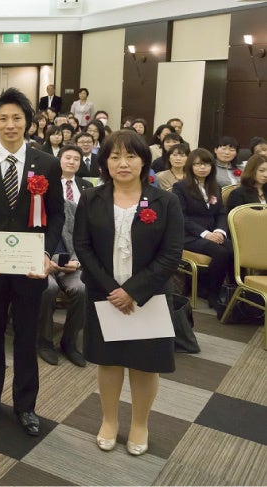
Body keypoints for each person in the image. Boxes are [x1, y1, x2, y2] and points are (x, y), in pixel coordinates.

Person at [73, 130, 183, 456]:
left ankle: (139, 423)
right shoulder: (92, 198)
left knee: (144, 364)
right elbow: (83, 245)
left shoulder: (165, 200)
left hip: (148, 297)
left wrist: (133, 291)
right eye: (115, 156)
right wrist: (112, 288)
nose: (123, 163)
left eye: (131, 156)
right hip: (104, 295)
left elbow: (171, 253)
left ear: (144, 161)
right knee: (108, 362)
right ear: (104, 162)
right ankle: (109, 421)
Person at [0, 88, 63, 437]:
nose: (10, 124)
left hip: (29, 267)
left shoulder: (47, 163)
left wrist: (47, 254)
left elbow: (57, 216)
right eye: (3, 118)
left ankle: (25, 406)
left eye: (16, 118)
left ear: (28, 123)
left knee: (25, 338)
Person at [37, 145, 92, 368]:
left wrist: (77, 260)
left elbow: (82, 237)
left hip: (70, 262)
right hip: (41, 263)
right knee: (47, 288)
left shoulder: (71, 206)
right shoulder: (32, 208)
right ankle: (44, 341)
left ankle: (69, 343)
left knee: (82, 289)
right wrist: (42, 260)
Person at [172, 149, 232, 310]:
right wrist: (205, 234)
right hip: (189, 236)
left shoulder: (215, 186)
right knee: (221, 252)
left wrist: (220, 231)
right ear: (191, 166)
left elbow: (221, 212)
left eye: (205, 164)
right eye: (197, 164)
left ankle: (231, 291)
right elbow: (182, 218)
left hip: (213, 233)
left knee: (233, 249)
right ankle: (212, 293)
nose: (202, 168)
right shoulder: (180, 187)